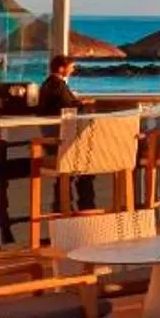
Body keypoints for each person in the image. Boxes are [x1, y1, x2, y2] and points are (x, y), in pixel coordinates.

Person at [36, 56, 95, 208]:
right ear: (61, 68)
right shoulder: (58, 85)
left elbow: (64, 104)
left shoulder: (48, 84)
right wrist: (84, 103)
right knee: (88, 161)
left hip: (52, 136)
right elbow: (68, 106)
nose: (73, 70)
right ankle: (85, 205)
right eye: (71, 67)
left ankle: (64, 205)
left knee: (76, 167)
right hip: (59, 139)